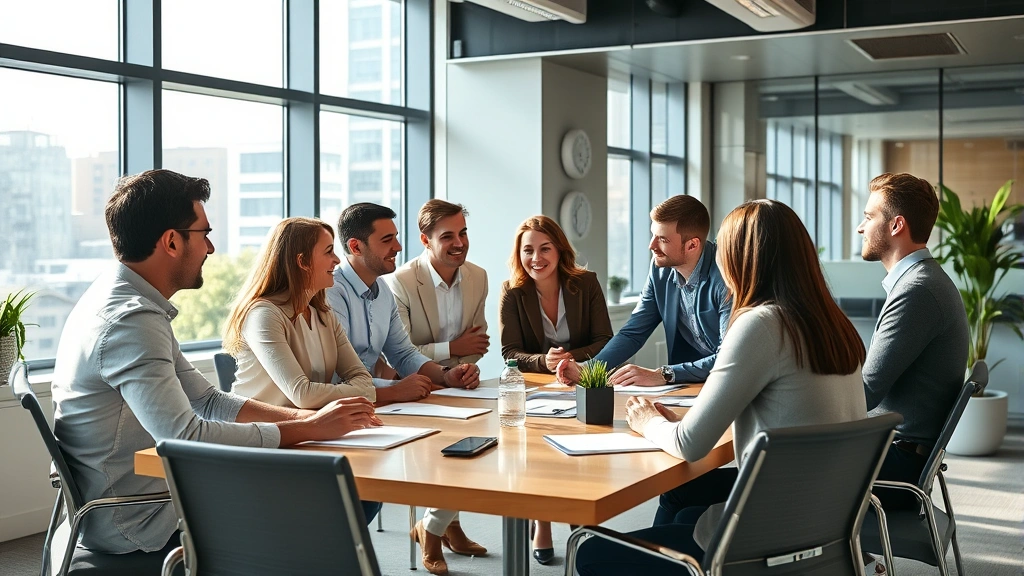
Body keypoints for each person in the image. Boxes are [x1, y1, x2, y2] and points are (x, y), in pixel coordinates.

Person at [51, 171, 381, 564]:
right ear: (172, 241)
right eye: (203, 233)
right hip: (141, 517)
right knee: (331, 504)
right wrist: (307, 428)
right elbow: (185, 435)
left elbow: (207, 400)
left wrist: (305, 418)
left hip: (152, 494)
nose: (210, 247)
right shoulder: (131, 321)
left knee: (338, 496)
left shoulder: (123, 301)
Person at [574, 199, 868, 575]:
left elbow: (690, 445)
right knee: (684, 502)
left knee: (589, 553)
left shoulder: (761, 324)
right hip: (825, 519)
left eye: (725, 250)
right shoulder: (831, 321)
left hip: (770, 535)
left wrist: (647, 420)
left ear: (743, 259)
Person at [497, 214, 613, 564]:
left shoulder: (586, 283)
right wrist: (543, 362)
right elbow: (509, 352)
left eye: (545, 248)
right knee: (538, 456)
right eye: (528, 250)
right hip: (534, 390)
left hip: (579, 381)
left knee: (577, 453)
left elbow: (604, 340)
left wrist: (570, 360)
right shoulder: (513, 292)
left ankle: (577, 514)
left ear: (560, 250)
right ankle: (542, 523)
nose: (536, 258)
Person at [386, 200, 489, 574]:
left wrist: (464, 367)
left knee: (482, 441)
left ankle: (448, 525)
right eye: (448, 236)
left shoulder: (477, 276)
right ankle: (432, 531)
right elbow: (400, 349)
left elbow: (477, 344)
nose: (459, 242)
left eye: (463, 233)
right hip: (414, 385)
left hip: (459, 384)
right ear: (425, 241)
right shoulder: (399, 282)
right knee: (447, 455)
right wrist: (452, 350)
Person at [857, 172, 969, 509]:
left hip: (896, 465)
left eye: (868, 217)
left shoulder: (916, 291)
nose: (861, 228)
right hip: (893, 450)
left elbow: (863, 393)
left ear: (896, 226)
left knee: (754, 480)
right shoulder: (923, 282)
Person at [557, 195, 729, 387]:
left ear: (692, 245)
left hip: (729, 383)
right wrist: (588, 369)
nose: (651, 245)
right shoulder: (659, 270)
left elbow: (729, 357)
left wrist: (663, 374)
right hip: (688, 386)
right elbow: (633, 333)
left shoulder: (726, 277)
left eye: (662, 239)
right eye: (652, 235)